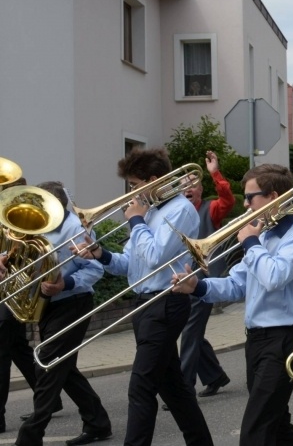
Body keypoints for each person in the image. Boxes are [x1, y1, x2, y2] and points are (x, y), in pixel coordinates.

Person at [72, 148, 213, 446]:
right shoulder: (150, 211)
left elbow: (155, 257)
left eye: (135, 186)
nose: (131, 194)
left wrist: (137, 222)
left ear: (152, 180)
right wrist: (99, 253)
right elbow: (130, 265)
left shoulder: (180, 211)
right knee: (173, 387)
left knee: (141, 388)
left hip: (165, 302)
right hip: (145, 305)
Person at [172, 164, 293, 445]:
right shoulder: (262, 235)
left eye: (250, 197)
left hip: (284, 340)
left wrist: (251, 242)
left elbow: (274, 276)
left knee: (256, 431)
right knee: (276, 424)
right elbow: (237, 284)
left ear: (273, 196)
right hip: (257, 340)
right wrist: (197, 286)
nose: (245, 203)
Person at [2, 182, 112, 446]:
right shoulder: (35, 223)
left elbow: (95, 271)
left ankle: (31, 435)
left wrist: (66, 283)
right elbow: (22, 253)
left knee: (47, 364)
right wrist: (6, 260)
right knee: (64, 367)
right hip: (47, 303)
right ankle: (97, 422)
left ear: (59, 207)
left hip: (72, 302)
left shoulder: (76, 228)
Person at [0, 178, 62, 435]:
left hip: (11, 293)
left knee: (2, 354)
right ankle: (49, 399)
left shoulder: (20, 215)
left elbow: (27, 250)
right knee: (17, 349)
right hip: (8, 292)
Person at [173, 150, 234, 403]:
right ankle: (214, 375)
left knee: (189, 332)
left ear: (200, 190)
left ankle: (184, 389)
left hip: (204, 280)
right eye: (183, 185)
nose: (188, 188)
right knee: (192, 331)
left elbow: (228, 200)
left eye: (193, 184)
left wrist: (214, 173)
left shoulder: (210, 209)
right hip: (182, 279)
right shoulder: (175, 212)